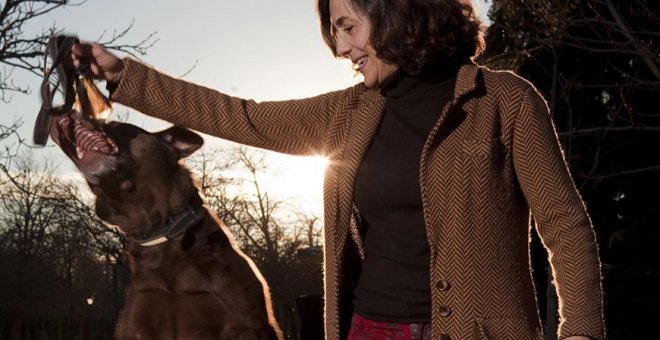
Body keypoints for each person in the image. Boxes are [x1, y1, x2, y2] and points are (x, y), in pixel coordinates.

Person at [67, 0, 604, 339]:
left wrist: (579, 330)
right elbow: (241, 117)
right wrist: (123, 73)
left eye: (347, 27)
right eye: (335, 33)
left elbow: (565, 225)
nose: (342, 47)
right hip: (371, 329)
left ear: (396, 11)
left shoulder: (504, 102)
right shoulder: (346, 114)